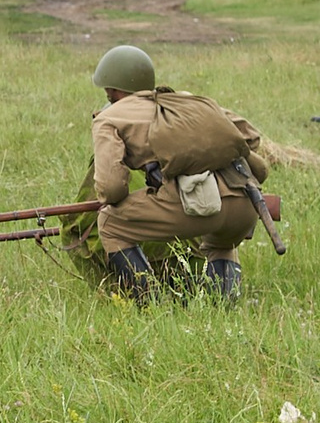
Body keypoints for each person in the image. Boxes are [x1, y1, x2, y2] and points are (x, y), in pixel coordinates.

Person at [84, 44, 271, 301]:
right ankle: (225, 308)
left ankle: (149, 305)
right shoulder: (186, 102)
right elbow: (251, 138)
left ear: (111, 90)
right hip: (246, 204)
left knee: (110, 224)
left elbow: (111, 187)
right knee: (221, 244)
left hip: (198, 206)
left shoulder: (110, 117)